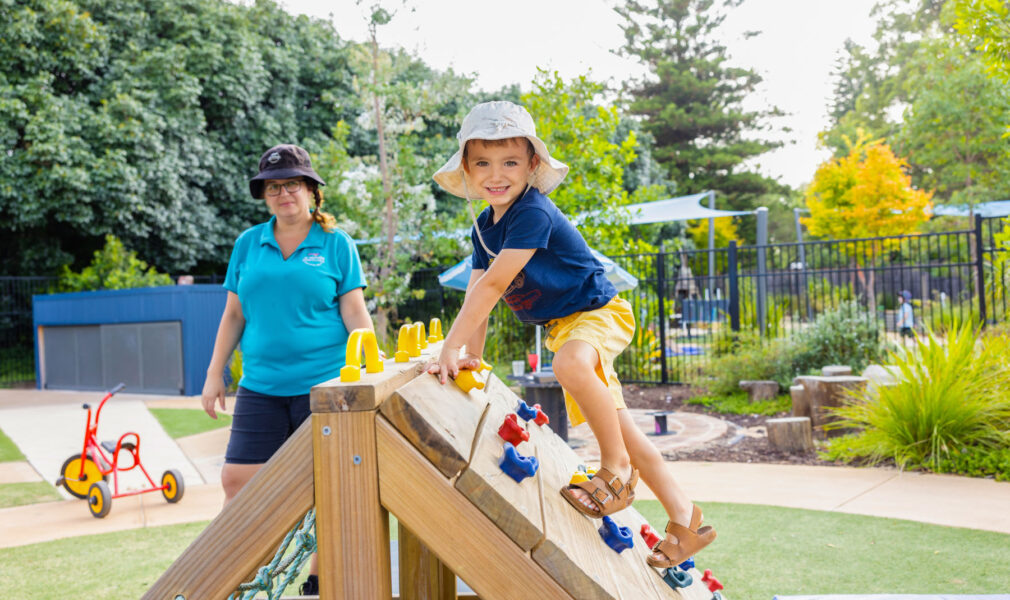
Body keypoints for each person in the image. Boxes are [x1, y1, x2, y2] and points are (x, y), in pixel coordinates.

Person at [427, 101, 715, 568]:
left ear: (532, 164)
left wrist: (449, 346)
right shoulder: (484, 227)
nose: (495, 175)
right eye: (482, 163)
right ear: (466, 167)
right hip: (566, 329)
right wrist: (471, 356)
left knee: (571, 366)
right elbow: (478, 292)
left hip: (599, 313)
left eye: (510, 162)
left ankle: (616, 471)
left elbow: (497, 286)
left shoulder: (531, 212)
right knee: (623, 430)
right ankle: (685, 521)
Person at [201, 144, 375, 596]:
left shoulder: (337, 244)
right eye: (274, 187)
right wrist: (214, 372)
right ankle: (231, 577)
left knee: (331, 486)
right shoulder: (248, 244)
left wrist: (368, 370)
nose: (283, 194)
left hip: (325, 387)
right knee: (236, 480)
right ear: (264, 194)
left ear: (311, 191)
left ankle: (319, 579)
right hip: (260, 385)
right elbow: (234, 315)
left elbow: (356, 315)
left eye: (292, 184)